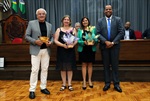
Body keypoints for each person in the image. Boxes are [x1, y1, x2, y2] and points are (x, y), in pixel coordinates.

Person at [25, 8, 52, 99]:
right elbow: (26, 36)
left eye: (43, 14)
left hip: (46, 51)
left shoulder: (49, 25)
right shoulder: (31, 23)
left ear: (45, 15)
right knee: (35, 70)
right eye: (39, 14)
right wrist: (35, 41)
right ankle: (32, 90)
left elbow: (51, 37)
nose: (41, 15)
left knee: (45, 69)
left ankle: (43, 87)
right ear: (37, 15)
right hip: (35, 50)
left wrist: (50, 42)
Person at [96, 5, 124, 92]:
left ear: (112, 10)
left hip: (115, 46)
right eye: (106, 9)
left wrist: (112, 42)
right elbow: (97, 33)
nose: (108, 10)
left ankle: (116, 84)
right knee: (106, 66)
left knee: (115, 66)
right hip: (104, 47)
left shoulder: (118, 19)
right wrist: (106, 42)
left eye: (110, 9)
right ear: (104, 11)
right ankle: (107, 83)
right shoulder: (100, 21)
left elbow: (121, 32)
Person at [54, 15, 77, 91]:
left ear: (70, 21)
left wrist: (73, 44)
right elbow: (55, 40)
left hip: (70, 51)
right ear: (62, 21)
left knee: (70, 68)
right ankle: (64, 84)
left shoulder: (73, 29)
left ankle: (70, 84)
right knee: (63, 68)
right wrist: (63, 45)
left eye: (68, 20)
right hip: (62, 50)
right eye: (65, 19)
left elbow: (76, 40)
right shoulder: (59, 29)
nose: (66, 21)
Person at [77, 17, 98, 90]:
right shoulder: (80, 30)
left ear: (88, 21)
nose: (85, 22)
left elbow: (96, 39)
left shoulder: (93, 29)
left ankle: (89, 80)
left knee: (90, 64)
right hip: (83, 49)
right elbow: (78, 41)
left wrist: (94, 42)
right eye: (83, 21)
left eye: (86, 20)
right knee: (83, 65)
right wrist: (84, 42)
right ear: (82, 22)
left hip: (91, 49)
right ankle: (84, 81)